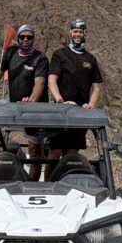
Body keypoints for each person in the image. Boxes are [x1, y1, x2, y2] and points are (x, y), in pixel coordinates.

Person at [0, 24, 49, 180]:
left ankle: (31, 186)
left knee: (35, 154)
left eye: (29, 37)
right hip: (12, 104)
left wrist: (32, 100)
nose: (25, 40)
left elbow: (39, 83)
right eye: (22, 37)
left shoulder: (40, 58)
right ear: (17, 38)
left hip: (34, 108)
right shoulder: (10, 52)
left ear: (34, 39)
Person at [47, 19, 103, 156]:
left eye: (80, 32)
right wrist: (60, 101)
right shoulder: (60, 54)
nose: (77, 34)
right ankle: (52, 179)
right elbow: (51, 80)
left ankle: (67, 177)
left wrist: (91, 104)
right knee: (54, 154)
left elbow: (96, 87)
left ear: (85, 33)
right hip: (61, 112)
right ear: (70, 32)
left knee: (72, 154)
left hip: (80, 115)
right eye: (75, 31)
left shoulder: (91, 59)